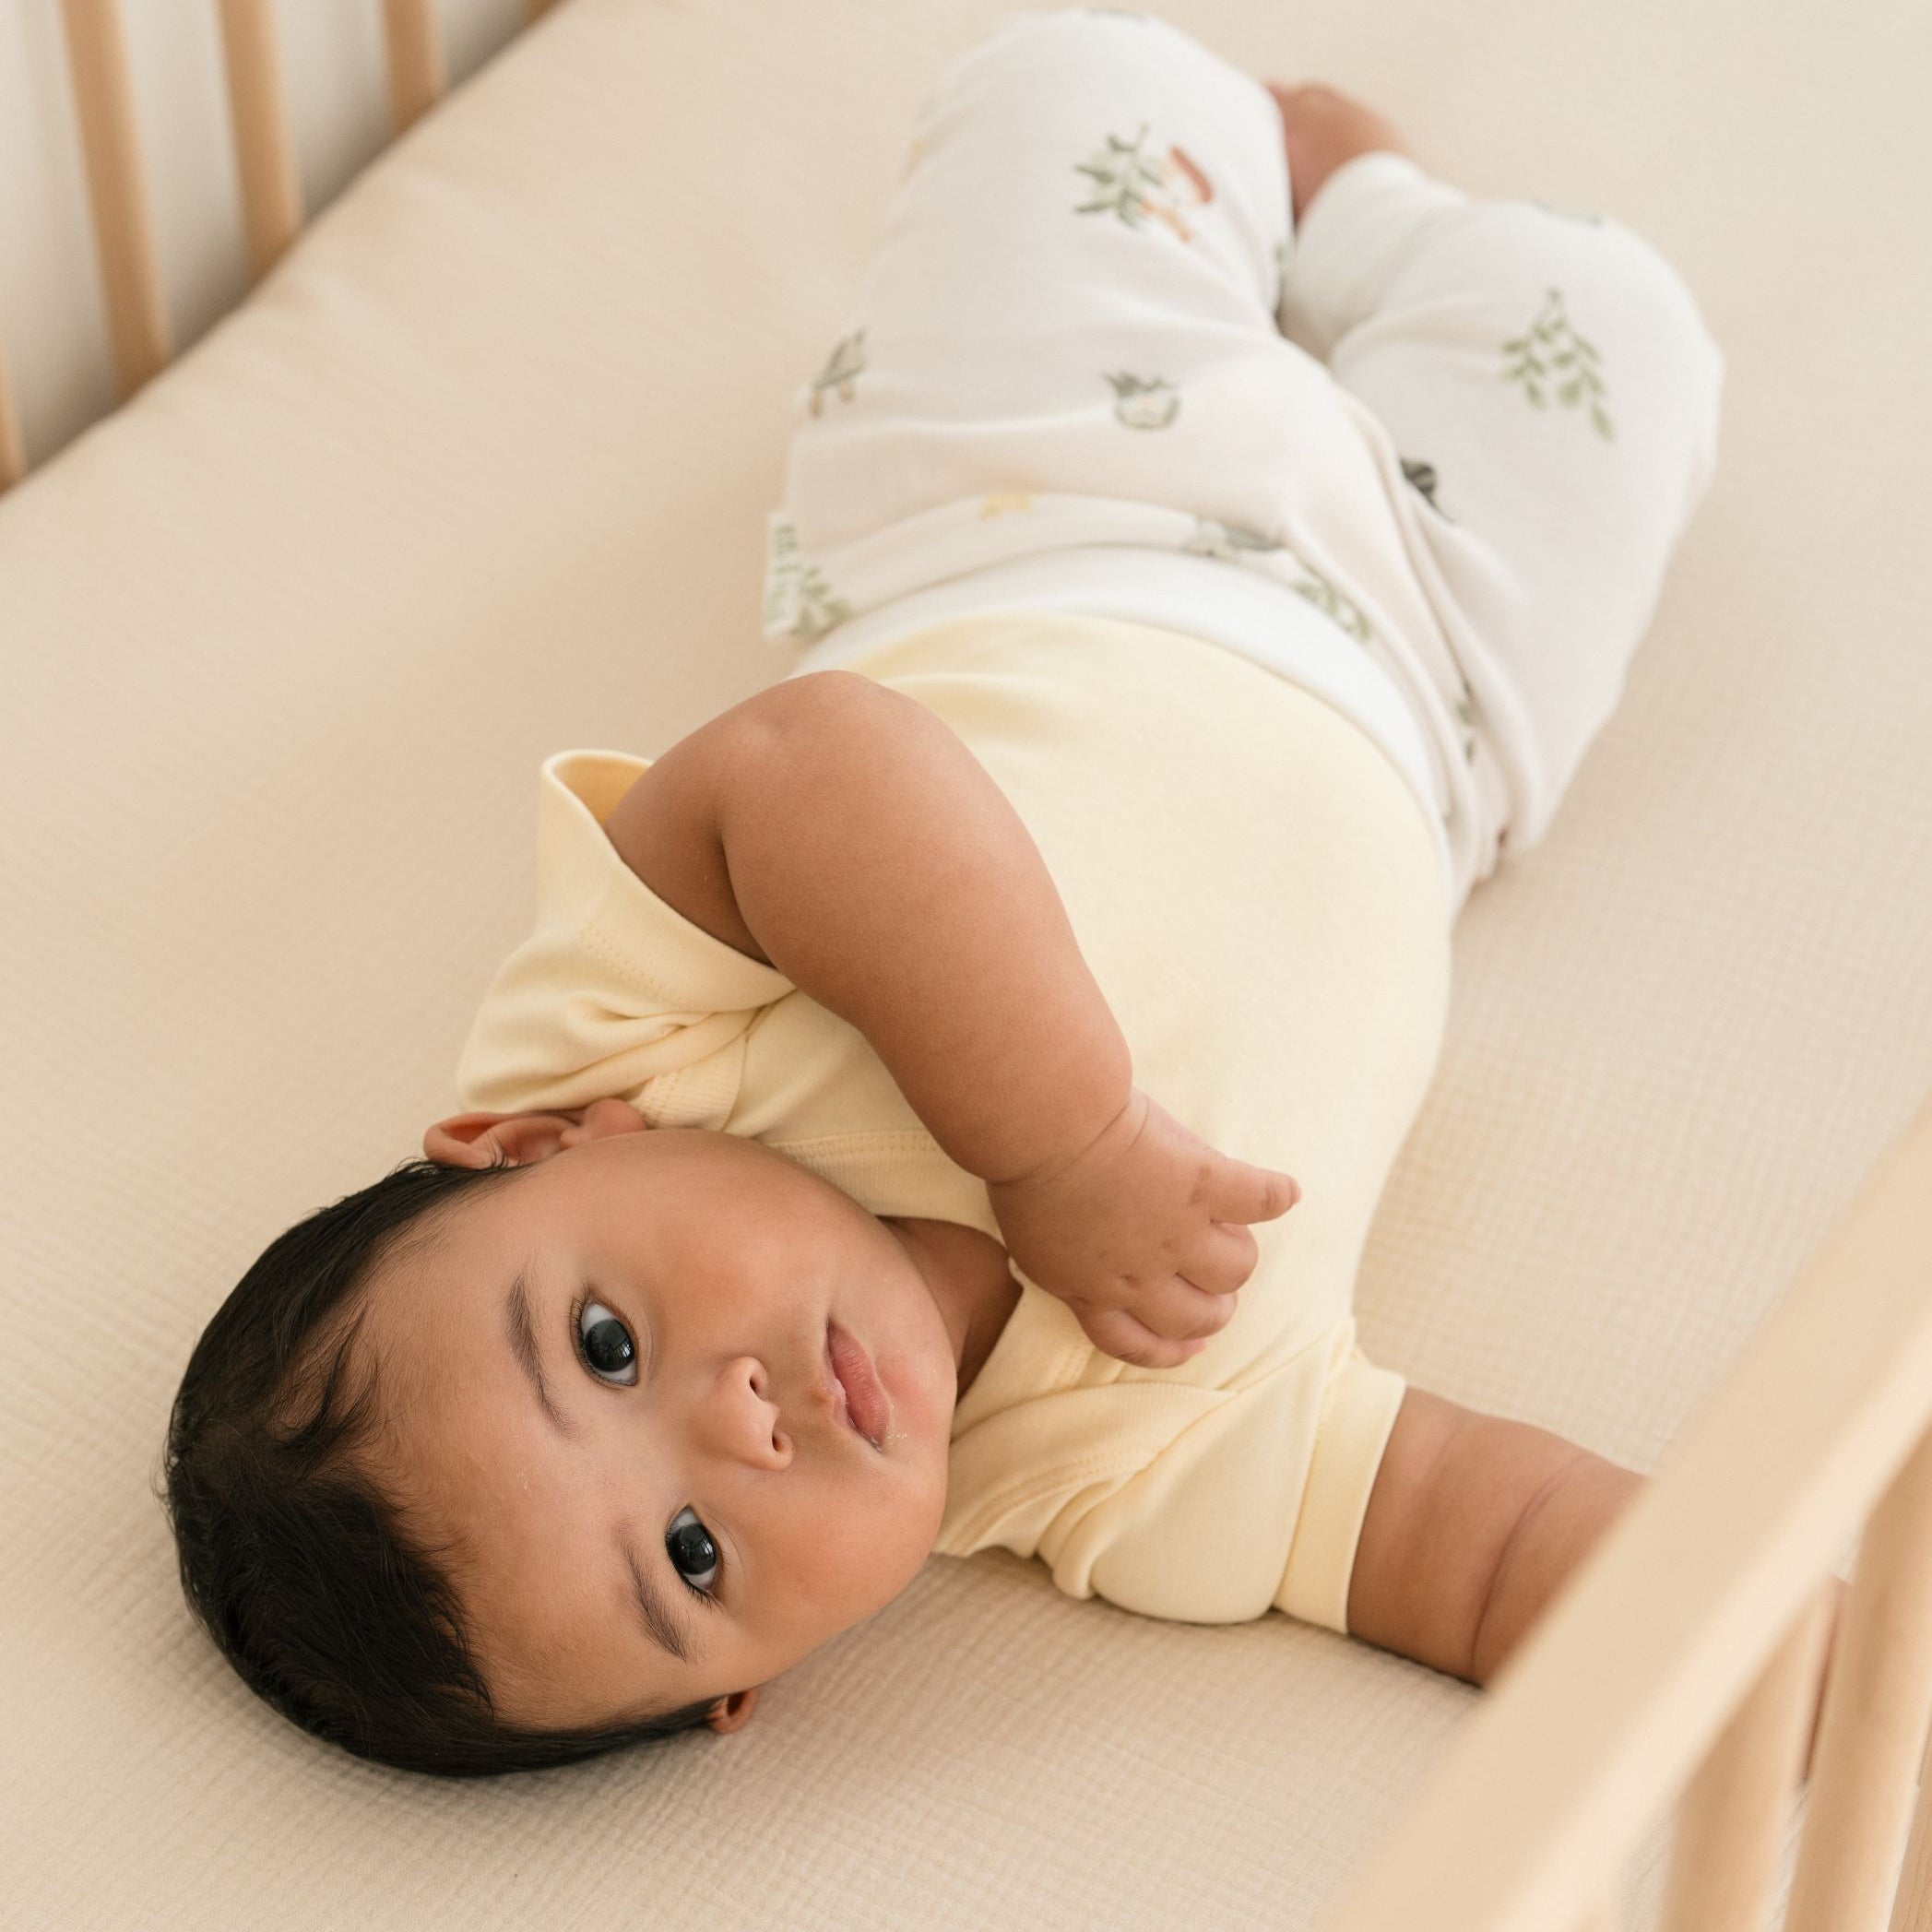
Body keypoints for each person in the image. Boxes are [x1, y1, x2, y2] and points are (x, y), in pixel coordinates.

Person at [162, 7, 1730, 1778]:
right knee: (1626, 337)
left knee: (1077, 89)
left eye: (602, 1343)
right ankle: (1385, 223)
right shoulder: (1121, 1471)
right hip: (1437, 684)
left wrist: (1065, 1146)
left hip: (1037, 492)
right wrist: (1808, 1680)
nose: (737, 1426)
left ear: (531, 1150)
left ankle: (1290, 182)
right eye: (692, 1560)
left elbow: (817, 762)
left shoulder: (630, 1052)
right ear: (751, 1685)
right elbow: (1483, 1533)